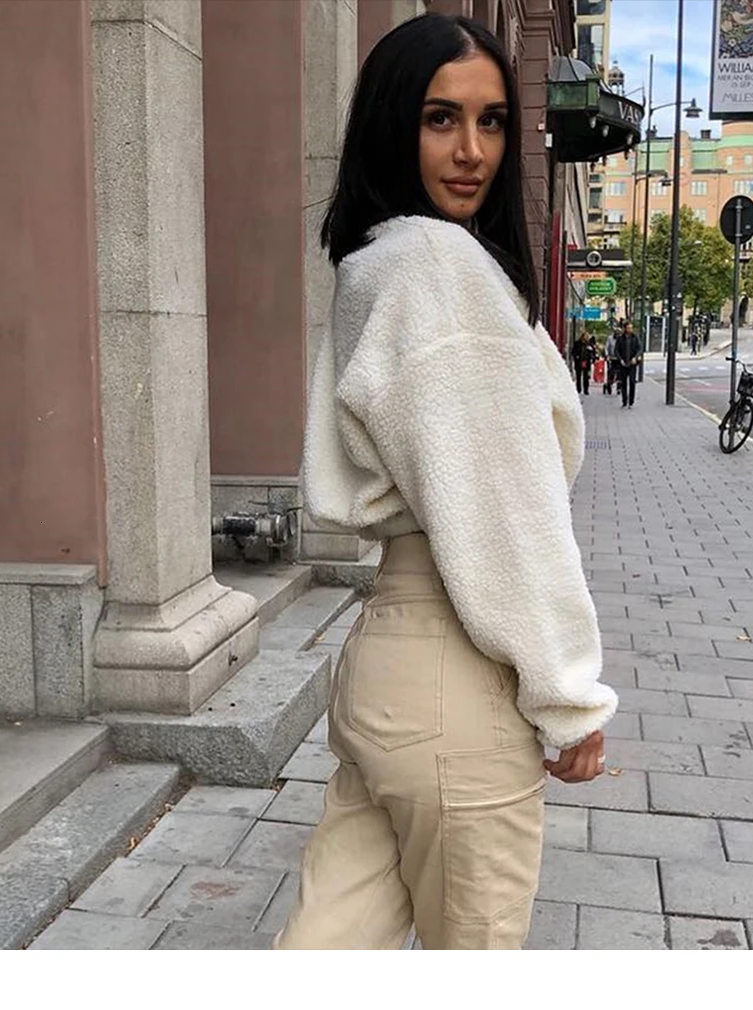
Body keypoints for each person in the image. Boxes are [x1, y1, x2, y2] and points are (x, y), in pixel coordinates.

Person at [273, 13, 617, 952]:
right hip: (459, 677)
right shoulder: (441, 268)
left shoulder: (376, 263)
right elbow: (504, 509)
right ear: (394, 123)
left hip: (388, 664)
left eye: (492, 121)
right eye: (441, 119)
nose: (472, 151)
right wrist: (568, 696)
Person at [615, 319, 642, 408]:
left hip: (632, 364)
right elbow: (616, 350)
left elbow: (639, 348)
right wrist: (620, 359)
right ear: (625, 329)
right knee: (623, 383)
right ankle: (624, 401)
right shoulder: (620, 339)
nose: (630, 329)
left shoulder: (635, 338)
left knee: (632, 382)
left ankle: (631, 401)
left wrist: (635, 357)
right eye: (628, 328)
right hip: (623, 364)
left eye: (631, 328)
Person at [603, 328, 617, 395]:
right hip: (611, 358)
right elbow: (606, 347)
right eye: (616, 333)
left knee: (619, 373)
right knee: (611, 372)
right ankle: (609, 384)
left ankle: (619, 387)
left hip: (618, 358)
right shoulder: (610, 338)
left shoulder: (621, 339)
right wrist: (607, 355)